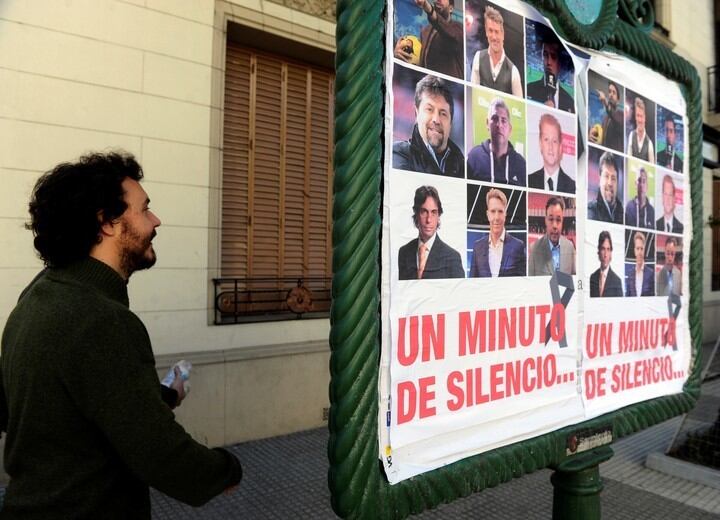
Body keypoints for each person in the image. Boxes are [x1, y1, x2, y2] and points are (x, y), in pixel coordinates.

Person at [0, 152, 242, 518]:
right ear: (107, 223)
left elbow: (80, 400)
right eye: (144, 209)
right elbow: (161, 455)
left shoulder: (40, 295)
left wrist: (161, 396)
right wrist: (226, 469)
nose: (156, 220)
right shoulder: (100, 320)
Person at [393, 74, 464, 177]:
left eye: (443, 113)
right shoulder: (399, 153)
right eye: (429, 109)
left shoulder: (459, 164)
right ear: (416, 112)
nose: (436, 119)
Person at [398, 185, 464, 280]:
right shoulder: (404, 252)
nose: (429, 220)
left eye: (433, 213)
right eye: (424, 212)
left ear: (438, 216)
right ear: (416, 214)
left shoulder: (452, 257)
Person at [393, 0, 463, 79]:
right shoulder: (425, 31)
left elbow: (449, 33)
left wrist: (429, 9)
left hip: (450, 87)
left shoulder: (458, 29)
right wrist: (397, 55)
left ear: (451, 9)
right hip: (426, 85)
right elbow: (419, 63)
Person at [467, 97, 526, 185]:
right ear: (487, 124)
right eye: (494, 119)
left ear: (510, 128)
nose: (499, 125)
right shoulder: (474, 156)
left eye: (503, 120)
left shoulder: (520, 163)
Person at [470, 188, 526, 277]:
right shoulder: (478, 247)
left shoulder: (518, 246)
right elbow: (472, 284)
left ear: (505, 214)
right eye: (493, 211)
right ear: (488, 215)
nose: (496, 217)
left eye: (500, 211)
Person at [470, 6, 523, 97]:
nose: (494, 37)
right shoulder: (478, 58)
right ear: (486, 32)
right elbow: (472, 94)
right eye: (490, 31)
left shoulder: (513, 71)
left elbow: (519, 107)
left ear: (502, 34)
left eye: (497, 32)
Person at [528, 196, 576, 276]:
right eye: (550, 219)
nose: (554, 226)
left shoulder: (570, 247)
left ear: (562, 222)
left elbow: (576, 280)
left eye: (558, 220)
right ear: (545, 221)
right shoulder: (534, 248)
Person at [528, 113, 576, 193]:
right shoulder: (529, 181)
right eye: (546, 139)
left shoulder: (572, 186)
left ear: (560, 147)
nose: (550, 147)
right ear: (540, 144)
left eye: (554, 141)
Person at [526, 35, 574, 113]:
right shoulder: (529, 89)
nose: (548, 62)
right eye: (545, 55)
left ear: (561, 62)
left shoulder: (570, 102)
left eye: (554, 57)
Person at [588, 151, 623, 224]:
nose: (610, 183)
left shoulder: (624, 215)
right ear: (599, 179)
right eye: (606, 176)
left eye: (613, 178)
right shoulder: (591, 212)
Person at [589, 80, 624, 152]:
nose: (611, 94)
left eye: (614, 93)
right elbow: (600, 139)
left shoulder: (621, 115)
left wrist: (605, 101)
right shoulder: (605, 118)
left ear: (618, 100)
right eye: (610, 91)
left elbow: (615, 118)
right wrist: (592, 133)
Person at [589, 231, 623, 297]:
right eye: (603, 249)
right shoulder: (592, 277)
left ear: (611, 253)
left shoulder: (617, 281)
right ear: (598, 251)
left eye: (608, 249)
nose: (605, 254)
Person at [627, 96, 655, 163]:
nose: (639, 120)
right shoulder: (631, 135)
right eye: (637, 115)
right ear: (635, 117)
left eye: (641, 116)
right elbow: (628, 161)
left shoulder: (649, 144)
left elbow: (652, 169)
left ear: (645, 118)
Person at [625, 231, 654, 296]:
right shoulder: (630, 274)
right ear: (634, 251)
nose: (640, 252)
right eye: (638, 248)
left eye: (642, 249)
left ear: (644, 250)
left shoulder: (651, 273)